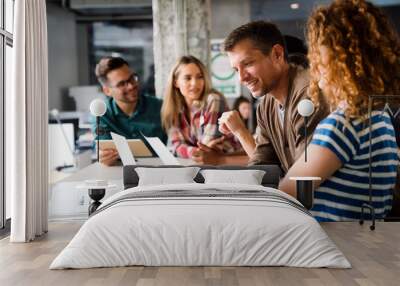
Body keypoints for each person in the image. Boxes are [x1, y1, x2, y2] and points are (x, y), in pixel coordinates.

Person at [279, 0, 400, 221]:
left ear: (337, 60)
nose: (312, 62)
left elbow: (287, 193)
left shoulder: (343, 124)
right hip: (362, 247)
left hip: (330, 248)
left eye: (316, 54)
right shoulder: (379, 118)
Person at [218, 21, 330, 173]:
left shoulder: (308, 95)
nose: (241, 78)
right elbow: (261, 166)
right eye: (236, 69)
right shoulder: (266, 105)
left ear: (277, 54)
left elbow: (304, 177)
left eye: (248, 63)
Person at [161, 55, 247, 165]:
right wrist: (194, 152)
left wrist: (188, 150)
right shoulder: (175, 109)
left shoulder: (213, 100)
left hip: (233, 165)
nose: (195, 83)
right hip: (203, 166)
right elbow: (174, 146)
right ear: (176, 82)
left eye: (199, 77)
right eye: (188, 78)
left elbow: (205, 149)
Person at [94, 56, 166, 166]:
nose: (131, 85)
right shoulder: (102, 114)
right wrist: (104, 156)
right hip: (119, 174)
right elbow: (102, 148)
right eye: (122, 84)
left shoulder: (160, 107)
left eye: (132, 78)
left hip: (159, 171)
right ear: (107, 91)